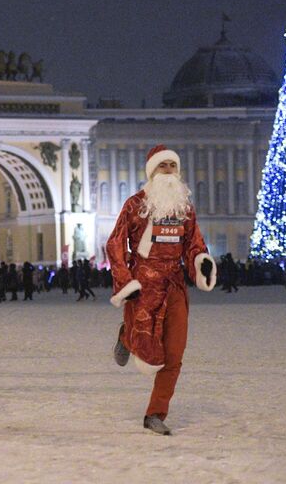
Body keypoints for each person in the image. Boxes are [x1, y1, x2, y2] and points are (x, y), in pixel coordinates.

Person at [106, 145, 216, 435]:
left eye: (172, 165)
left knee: (174, 353)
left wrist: (200, 262)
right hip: (143, 284)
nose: (168, 170)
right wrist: (124, 280)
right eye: (162, 165)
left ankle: (155, 413)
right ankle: (126, 336)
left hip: (175, 285)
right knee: (146, 346)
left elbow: (195, 245)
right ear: (151, 172)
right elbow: (115, 243)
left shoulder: (185, 209)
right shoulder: (134, 205)